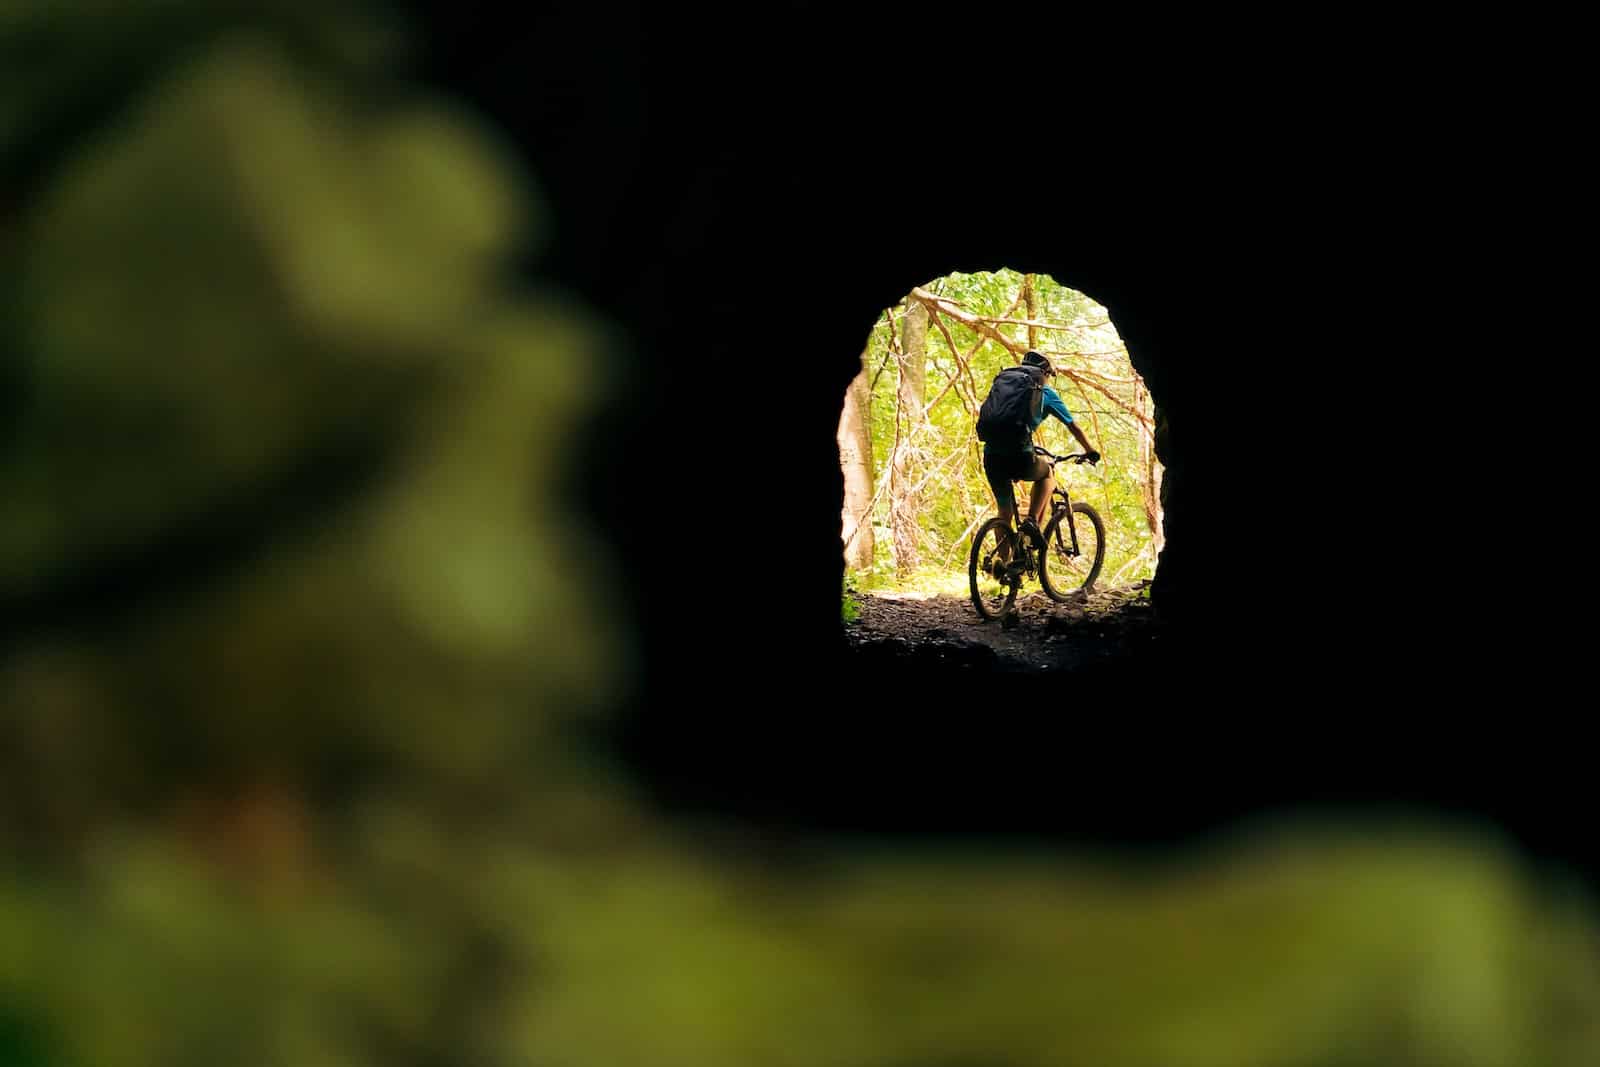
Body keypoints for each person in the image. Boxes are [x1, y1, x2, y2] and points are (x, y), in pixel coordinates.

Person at [980, 350, 1100, 570]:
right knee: (1047, 473)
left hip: (991, 457)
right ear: (1045, 372)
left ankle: (1005, 566)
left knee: (1004, 513)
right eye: (1050, 375)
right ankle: (1032, 521)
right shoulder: (1045, 392)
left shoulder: (1005, 385)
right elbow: (1073, 426)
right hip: (1019, 456)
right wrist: (1090, 450)